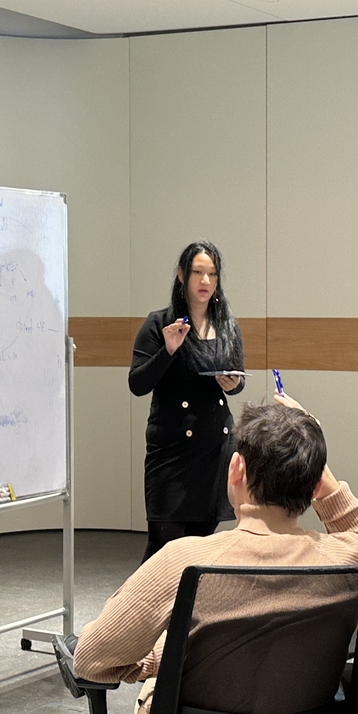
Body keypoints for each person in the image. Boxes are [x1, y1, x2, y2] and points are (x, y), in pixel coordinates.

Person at [73, 398, 358, 714]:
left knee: (155, 691)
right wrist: (318, 469)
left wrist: (162, 657)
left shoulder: (185, 560)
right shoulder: (351, 564)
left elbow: (92, 659)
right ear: (316, 485)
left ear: (236, 468)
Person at [130, 240, 246, 562]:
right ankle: (140, 610)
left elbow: (236, 380)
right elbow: (137, 384)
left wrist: (233, 384)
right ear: (181, 275)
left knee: (196, 551)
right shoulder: (159, 323)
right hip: (171, 450)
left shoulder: (226, 325)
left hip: (214, 450)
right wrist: (167, 350)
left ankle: (184, 613)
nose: (205, 281)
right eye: (198, 272)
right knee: (162, 551)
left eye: (212, 274)